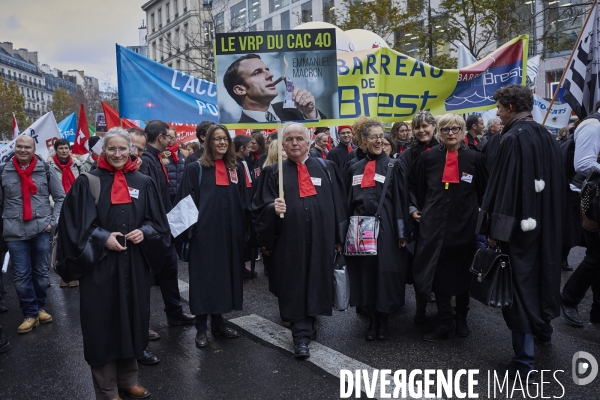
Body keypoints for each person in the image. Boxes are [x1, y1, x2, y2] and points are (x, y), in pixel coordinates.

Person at [56, 127, 170, 400]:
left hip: (134, 266)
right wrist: (102, 237)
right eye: (112, 149)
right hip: (100, 266)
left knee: (132, 319)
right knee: (102, 324)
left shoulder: (143, 181)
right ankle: (107, 390)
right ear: (102, 151)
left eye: (122, 148)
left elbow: (159, 223)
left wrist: (146, 232)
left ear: (131, 150)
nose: (117, 154)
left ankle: (128, 380)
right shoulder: (88, 182)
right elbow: (73, 226)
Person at [479, 84, 564, 379]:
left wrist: (495, 231)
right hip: (546, 226)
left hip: (519, 230)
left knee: (518, 285)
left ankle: (524, 359)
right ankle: (544, 331)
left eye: (500, 107)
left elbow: (506, 191)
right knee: (543, 276)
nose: (498, 112)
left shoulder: (512, 137)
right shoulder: (546, 135)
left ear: (511, 107)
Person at [251, 122, 346, 358]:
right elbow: (257, 207)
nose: (295, 143)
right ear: (282, 144)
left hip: (321, 236)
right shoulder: (273, 172)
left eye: (299, 139)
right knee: (294, 283)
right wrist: (272, 207)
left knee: (316, 279)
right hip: (289, 239)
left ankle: (309, 321)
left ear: (308, 141)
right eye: (290, 139)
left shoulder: (326, 167)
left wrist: (338, 236)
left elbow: (338, 204)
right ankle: (300, 336)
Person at [409, 114, 488, 342]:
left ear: (463, 131)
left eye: (455, 129)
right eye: (446, 130)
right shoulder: (428, 158)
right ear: (439, 133)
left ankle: (462, 318)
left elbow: (483, 189)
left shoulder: (476, 158)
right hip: (433, 226)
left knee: (464, 274)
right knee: (438, 274)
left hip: (465, 226)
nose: (450, 133)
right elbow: (415, 187)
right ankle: (444, 320)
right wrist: (414, 208)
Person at [175, 125, 246, 348]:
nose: (222, 143)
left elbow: (244, 200)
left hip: (229, 235)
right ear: (209, 143)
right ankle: (201, 328)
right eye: (217, 139)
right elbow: (184, 204)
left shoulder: (237, 168)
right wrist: (189, 236)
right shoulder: (195, 169)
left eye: (225, 139)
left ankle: (219, 323)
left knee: (223, 279)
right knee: (204, 281)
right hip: (203, 236)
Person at [345, 119, 409, 341]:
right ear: (363, 140)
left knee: (385, 274)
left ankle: (384, 321)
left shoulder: (395, 165)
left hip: (387, 228)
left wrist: (402, 233)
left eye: (382, 136)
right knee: (365, 274)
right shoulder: (354, 167)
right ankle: (371, 319)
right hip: (360, 228)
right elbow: (348, 202)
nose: (379, 140)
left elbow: (401, 201)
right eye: (373, 136)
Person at [139, 120, 195, 364]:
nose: (171, 140)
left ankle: (174, 312)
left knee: (169, 270)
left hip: (165, 225)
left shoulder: (159, 158)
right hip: (156, 228)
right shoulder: (149, 161)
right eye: (168, 137)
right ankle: (140, 328)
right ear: (160, 137)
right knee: (145, 279)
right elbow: (150, 196)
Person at [0, 135, 65, 334]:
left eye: (27, 147)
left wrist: (52, 223)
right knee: (20, 276)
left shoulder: (45, 170)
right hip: (14, 232)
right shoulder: (4, 170)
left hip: (41, 230)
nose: (23, 150)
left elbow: (61, 197)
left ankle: (40, 308)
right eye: (19, 146)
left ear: (33, 148)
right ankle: (30, 313)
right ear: (15, 147)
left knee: (40, 274)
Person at [397, 111, 440, 324]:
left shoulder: (446, 149)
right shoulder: (408, 154)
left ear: (434, 126)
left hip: (442, 217)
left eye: (425, 126)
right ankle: (420, 311)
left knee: (443, 265)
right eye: (417, 127)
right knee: (420, 264)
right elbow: (404, 186)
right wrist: (412, 209)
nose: (421, 130)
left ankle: (446, 313)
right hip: (419, 218)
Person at [560, 103, 600, 326]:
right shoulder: (593, 125)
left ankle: (596, 310)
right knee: (595, 255)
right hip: (590, 197)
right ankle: (569, 298)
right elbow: (584, 163)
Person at [223, 54, 326, 123]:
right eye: (257, 73)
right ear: (240, 90)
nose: (271, 75)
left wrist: (310, 113)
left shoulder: (293, 110)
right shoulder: (241, 129)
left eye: (267, 70)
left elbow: (322, 135)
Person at [48, 138, 83, 288]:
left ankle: (74, 274)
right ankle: (64, 275)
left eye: (66, 148)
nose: (63, 151)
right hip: (57, 207)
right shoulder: (48, 166)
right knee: (61, 243)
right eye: (60, 148)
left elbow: (83, 183)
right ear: (55, 150)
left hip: (76, 208)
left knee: (75, 241)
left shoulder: (78, 165)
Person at [163, 128, 187, 204]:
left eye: (172, 137)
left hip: (180, 193)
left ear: (176, 138)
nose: (169, 140)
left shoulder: (183, 153)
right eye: (167, 137)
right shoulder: (161, 153)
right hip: (166, 194)